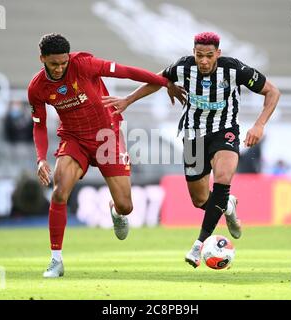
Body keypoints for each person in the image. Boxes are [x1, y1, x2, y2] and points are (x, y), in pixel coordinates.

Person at [102, 32, 280, 268]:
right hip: (193, 135)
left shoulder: (235, 70)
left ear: (218, 53)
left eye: (208, 56)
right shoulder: (183, 66)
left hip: (224, 131)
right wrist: (128, 100)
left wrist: (259, 124)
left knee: (223, 178)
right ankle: (227, 205)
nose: (203, 61)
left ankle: (199, 244)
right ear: (193, 53)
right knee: (200, 199)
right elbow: (157, 79)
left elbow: (272, 91)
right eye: (199, 55)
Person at [27, 33, 183, 277]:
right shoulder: (37, 88)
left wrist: (165, 83)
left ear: (69, 57)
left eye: (63, 63)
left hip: (105, 136)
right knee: (59, 192)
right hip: (73, 138)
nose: (59, 68)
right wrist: (40, 158)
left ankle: (115, 210)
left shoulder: (84, 65)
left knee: (126, 205)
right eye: (53, 64)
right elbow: (38, 124)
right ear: (42, 59)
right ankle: (56, 260)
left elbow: (126, 71)